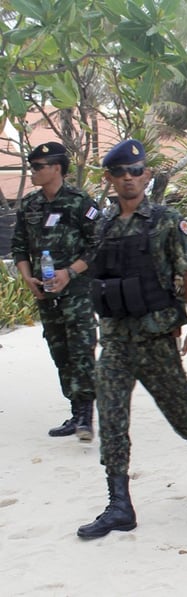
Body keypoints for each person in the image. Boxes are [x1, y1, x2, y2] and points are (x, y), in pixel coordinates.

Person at [77, 139, 187, 539]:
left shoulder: (165, 220)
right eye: (120, 172)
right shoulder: (103, 226)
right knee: (112, 414)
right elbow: (94, 270)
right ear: (110, 179)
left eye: (135, 171)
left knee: (181, 409)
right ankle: (119, 503)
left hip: (156, 338)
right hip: (117, 341)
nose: (128, 178)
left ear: (147, 176)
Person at [12, 141, 100, 441]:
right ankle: (75, 413)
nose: (33, 171)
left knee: (82, 350)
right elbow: (20, 247)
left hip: (76, 292)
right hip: (45, 293)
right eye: (32, 166)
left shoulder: (79, 202)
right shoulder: (29, 205)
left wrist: (70, 272)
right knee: (60, 351)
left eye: (38, 167)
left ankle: (86, 417)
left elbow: (98, 245)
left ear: (57, 168)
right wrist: (28, 278)